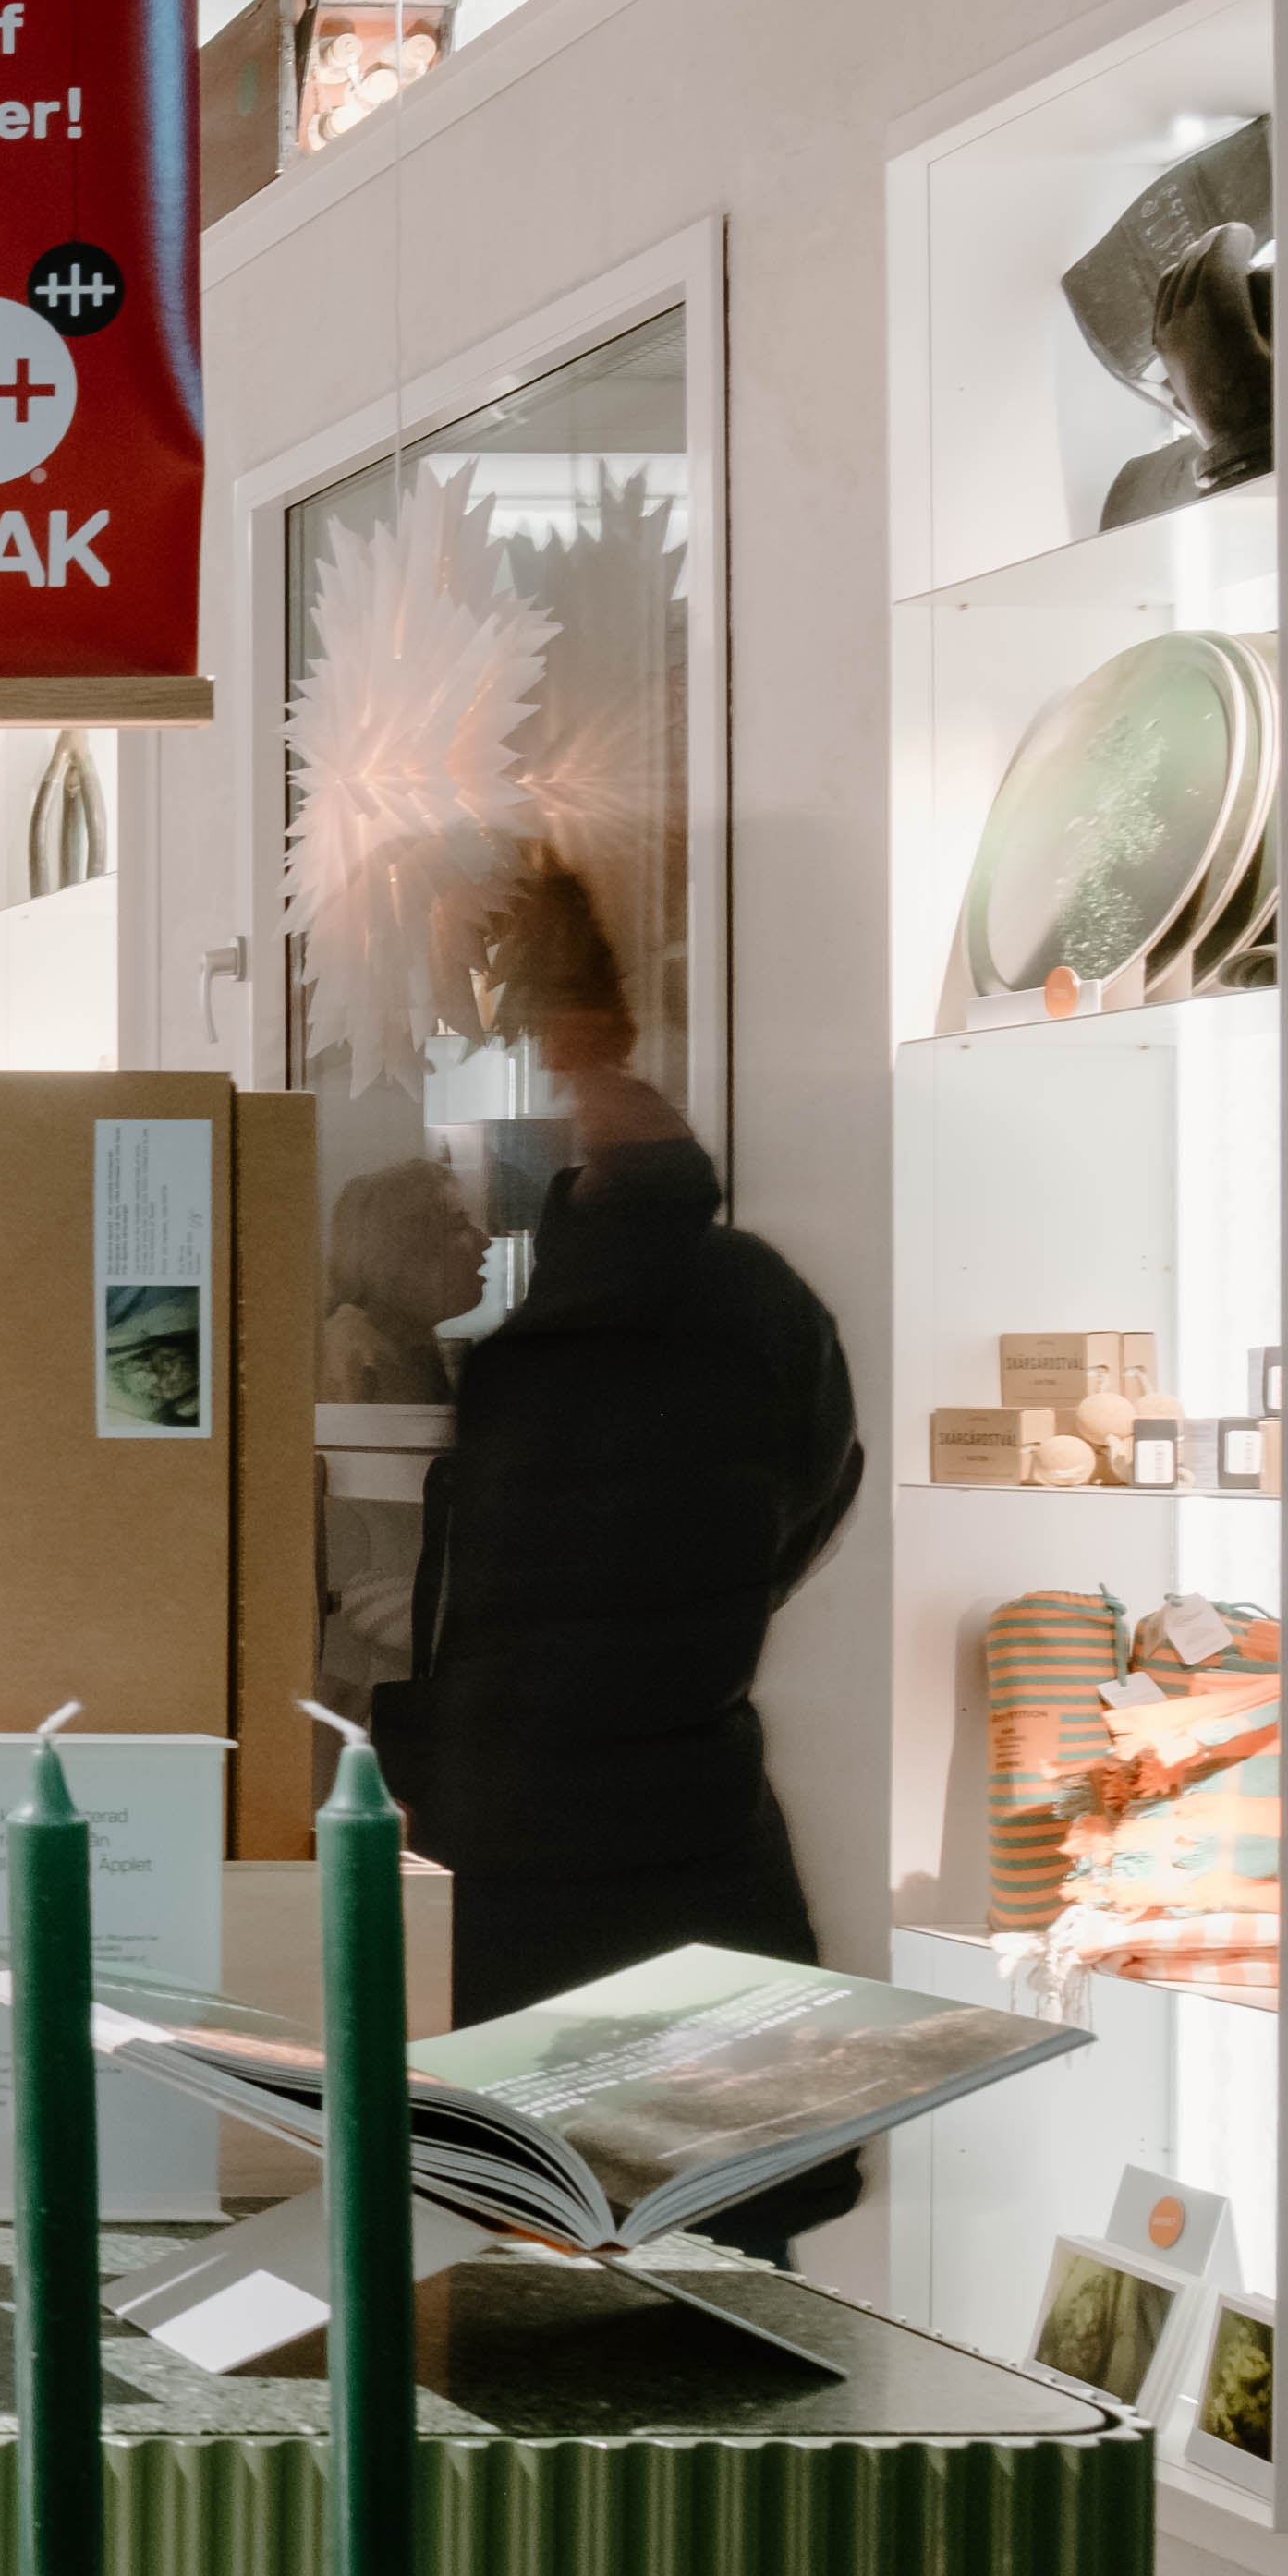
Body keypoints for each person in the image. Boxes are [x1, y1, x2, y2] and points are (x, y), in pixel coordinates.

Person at [377, 879, 864, 2252]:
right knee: (716, 2299)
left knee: (524, 2327)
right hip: (688, 1871)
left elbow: (473, 1611)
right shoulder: (761, 1304)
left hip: (530, 1894)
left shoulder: (542, 1343)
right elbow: (807, 1516)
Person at [322, 1155, 495, 1405]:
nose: (484, 1241)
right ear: (403, 1248)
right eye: (459, 1224)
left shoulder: (411, 1344)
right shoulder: (357, 1353)